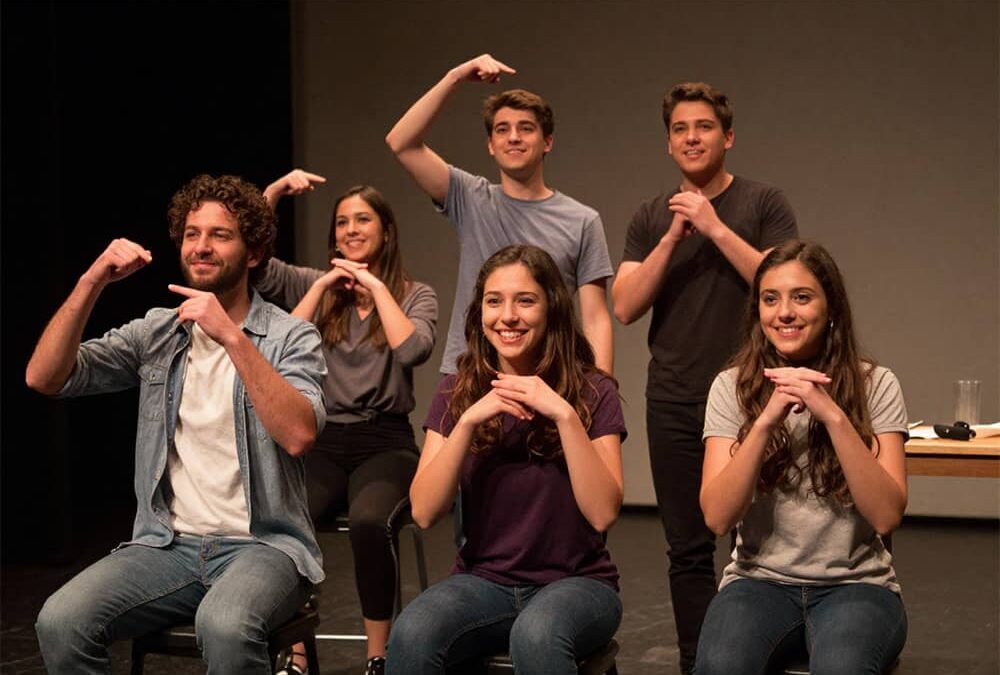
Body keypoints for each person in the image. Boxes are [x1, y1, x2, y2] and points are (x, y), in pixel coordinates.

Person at [28, 174, 328, 675]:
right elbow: (45, 377)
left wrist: (233, 337)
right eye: (192, 233)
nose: (202, 246)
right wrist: (92, 281)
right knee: (61, 622)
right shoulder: (158, 332)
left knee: (225, 626)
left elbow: (299, 434)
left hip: (265, 546)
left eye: (220, 235)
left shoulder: (290, 336)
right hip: (168, 545)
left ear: (253, 254)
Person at [611, 81, 798, 672]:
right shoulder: (650, 216)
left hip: (754, 393)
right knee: (688, 548)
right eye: (680, 130)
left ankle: (760, 650)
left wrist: (715, 228)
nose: (692, 138)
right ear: (669, 144)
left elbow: (784, 284)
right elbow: (624, 305)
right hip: (673, 396)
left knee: (766, 540)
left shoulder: (764, 203)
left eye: (704, 127)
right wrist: (673, 236)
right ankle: (699, 662)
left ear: (728, 137)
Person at [386, 245, 626, 675]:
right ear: (479, 311)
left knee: (536, 635)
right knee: (412, 632)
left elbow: (603, 512)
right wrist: (467, 422)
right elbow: (424, 512)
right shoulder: (455, 391)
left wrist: (563, 415)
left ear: (551, 307)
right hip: (484, 582)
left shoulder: (593, 391)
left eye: (525, 300)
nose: (508, 316)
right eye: (494, 301)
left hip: (578, 585)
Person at [696, 240, 908, 674]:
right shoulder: (730, 387)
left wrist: (832, 414)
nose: (784, 312)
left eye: (802, 297)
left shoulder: (877, 385)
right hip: (759, 582)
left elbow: (886, 515)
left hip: (857, 586)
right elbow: (717, 518)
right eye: (770, 299)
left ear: (831, 308)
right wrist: (764, 423)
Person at [257, 172, 438, 675]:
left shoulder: (415, 293)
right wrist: (272, 197)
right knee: (284, 523)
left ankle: (377, 655)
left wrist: (377, 286)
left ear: (386, 230)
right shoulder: (311, 284)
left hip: (386, 441)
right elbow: (255, 263)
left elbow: (413, 349)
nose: (351, 230)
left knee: (368, 523)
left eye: (363, 220)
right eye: (342, 222)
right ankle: (297, 654)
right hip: (323, 438)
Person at [385, 53, 614, 376]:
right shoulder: (470, 197)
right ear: (491, 144)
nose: (514, 137)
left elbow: (595, 318)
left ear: (547, 141)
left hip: (551, 374)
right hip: (472, 370)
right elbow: (402, 143)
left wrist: (600, 391)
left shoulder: (582, 220)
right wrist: (455, 76)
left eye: (526, 129)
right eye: (502, 130)